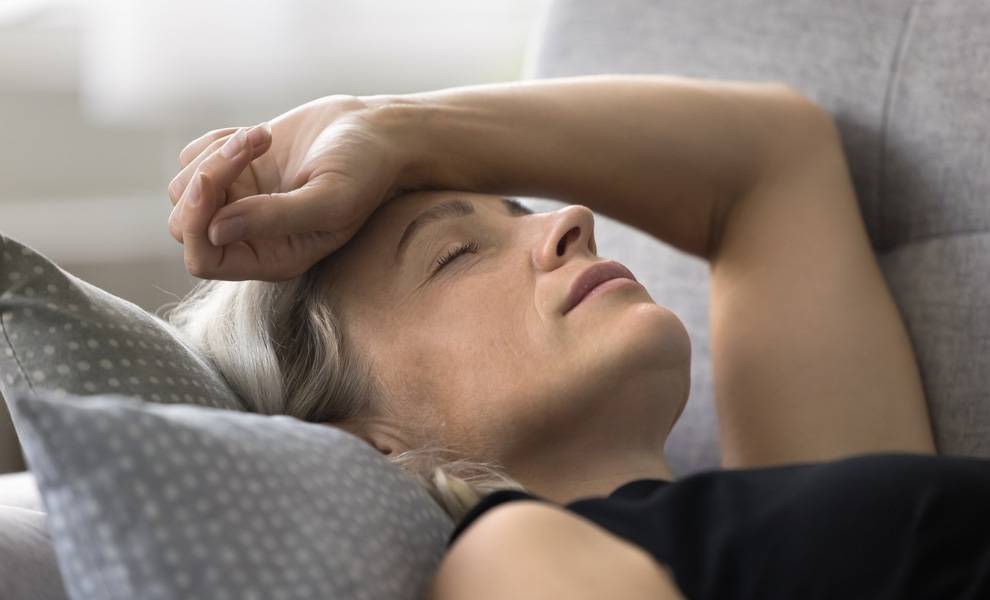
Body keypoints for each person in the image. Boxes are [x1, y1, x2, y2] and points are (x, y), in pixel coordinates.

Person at [161, 75, 989, 600]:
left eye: (522, 211)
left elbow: (771, 153)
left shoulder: (784, 517)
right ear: (362, 443)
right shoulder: (504, 558)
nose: (571, 221)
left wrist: (385, 127)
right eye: (455, 257)